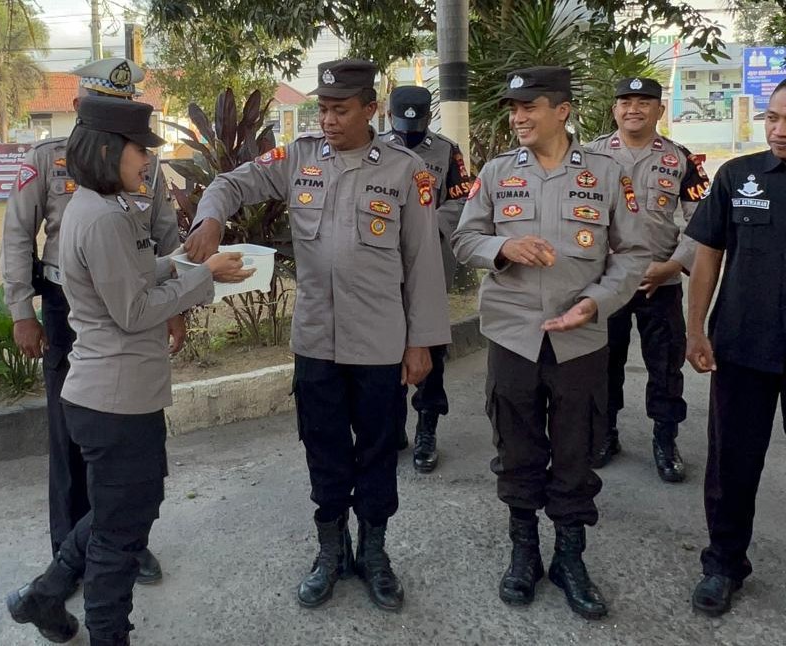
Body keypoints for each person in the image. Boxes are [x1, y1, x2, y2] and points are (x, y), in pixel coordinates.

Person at [183, 59, 450, 612]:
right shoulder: (299, 156)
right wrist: (208, 218)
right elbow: (233, 183)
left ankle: (374, 553)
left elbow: (423, 262)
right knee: (323, 448)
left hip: (379, 343)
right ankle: (331, 550)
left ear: (370, 109)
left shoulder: (405, 170)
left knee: (378, 450)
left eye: (340, 109)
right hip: (315, 342)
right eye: (322, 108)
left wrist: (421, 341)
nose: (327, 120)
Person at [8, 95, 251, 646]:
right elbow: (134, 309)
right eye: (141, 149)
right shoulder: (99, 218)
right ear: (107, 149)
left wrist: (188, 266)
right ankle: (106, 633)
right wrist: (203, 275)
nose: (149, 160)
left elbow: (139, 270)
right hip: (114, 399)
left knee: (128, 506)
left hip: (120, 395)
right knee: (120, 532)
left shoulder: (107, 208)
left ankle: (44, 597)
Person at [452, 66, 649, 620]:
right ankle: (523, 553)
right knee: (515, 448)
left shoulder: (607, 174)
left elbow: (633, 254)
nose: (517, 118)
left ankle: (569, 558)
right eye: (513, 109)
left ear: (561, 111)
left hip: (581, 336)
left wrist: (596, 303)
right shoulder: (494, 173)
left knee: (575, 449)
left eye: (529, 107)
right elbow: (465, 238)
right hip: (513, 335)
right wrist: (502, 249)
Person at [1, 57, 179, 599]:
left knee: (127, 437)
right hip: (65, 302)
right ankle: (70, 551)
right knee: (74, 435)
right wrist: (21, 311)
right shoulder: (47, 160)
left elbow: (166, 234)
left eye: (128, 111)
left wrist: (175, 306)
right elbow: (17, 234)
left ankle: (122, 537)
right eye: (110, 108)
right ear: (80, 107)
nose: (126, 126)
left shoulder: (144, 166)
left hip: (133, 297)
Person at [684, 79, 786, 617]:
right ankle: (723, 564)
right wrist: (695, 329)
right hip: (743, 348)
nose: (779, 129)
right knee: (732, 464)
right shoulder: (737, 176)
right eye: (772, 117)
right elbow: (708, 257)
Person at [584, 77, 711, 481]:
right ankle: (605, 433)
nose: (633, 109)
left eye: (644, 102)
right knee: (604, 364)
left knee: (665, 367)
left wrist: (674, 265)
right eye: (625, 101)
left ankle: (664, 438)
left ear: (660, 109)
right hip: (608, 281)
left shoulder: (681, 159)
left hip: (662, 280)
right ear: (614, 108)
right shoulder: (590, 156)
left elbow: (702, 222)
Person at [382, 85, 471, 473]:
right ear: (389, 118)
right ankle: (392, 427)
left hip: (430, 262)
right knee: (384, 346)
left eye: (417, 125)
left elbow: (463, 197)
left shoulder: (446, 151)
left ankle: (427, 429)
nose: (410, 132)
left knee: (429, 346)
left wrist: (427, 226)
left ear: (429, 119)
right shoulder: (377, 149)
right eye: (403, 125)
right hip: (383, 264)